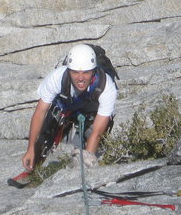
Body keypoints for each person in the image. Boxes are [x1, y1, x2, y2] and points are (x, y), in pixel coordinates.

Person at [21, 44, 117, 174]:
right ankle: (35, 162)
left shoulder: (106, 87)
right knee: (50, 122)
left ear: (93, 71)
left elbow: (97, 133)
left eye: (86, 72)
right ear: (68, 70)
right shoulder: (57, 78)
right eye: (75, 72)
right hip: (67, 107)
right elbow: (40, 113)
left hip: (93, 112)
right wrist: (31, 148)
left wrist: (85, 165)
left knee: (91, 136)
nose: (81, 78)